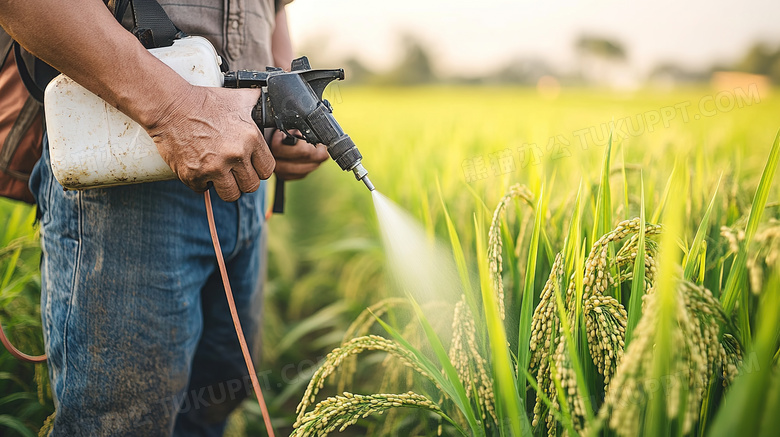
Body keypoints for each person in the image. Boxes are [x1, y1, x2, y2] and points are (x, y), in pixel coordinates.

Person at [0, 0, 329, 435]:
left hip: (244, 180)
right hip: (124, 180)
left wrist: (285, 113)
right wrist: (173, 111)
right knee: (124, 425)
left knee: (217, 397)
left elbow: (273, 10)